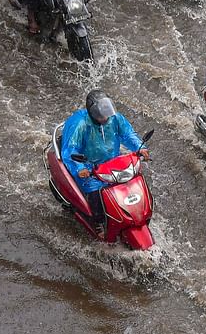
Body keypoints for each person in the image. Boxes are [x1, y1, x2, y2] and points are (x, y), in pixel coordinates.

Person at [59, 91, 149, 231]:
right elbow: (71, 151)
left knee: (132, 181)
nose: (105, 118)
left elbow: (128, 134)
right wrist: (80, 168)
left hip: (112, 162)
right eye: (101, 115)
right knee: (96, 193)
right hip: (89, 167)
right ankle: (98, 223)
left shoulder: (114, 118)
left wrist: (140, 147)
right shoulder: (81, 125)